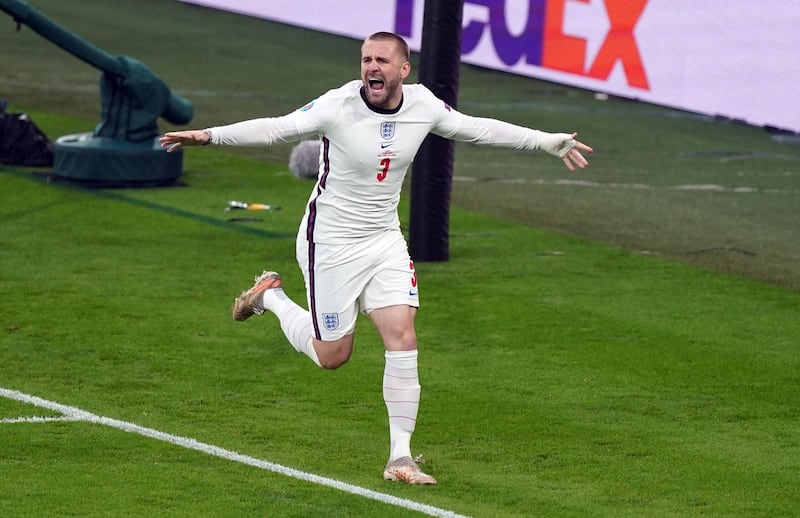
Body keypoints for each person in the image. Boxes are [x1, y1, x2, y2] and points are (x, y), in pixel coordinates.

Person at [160, 31, 592, 485]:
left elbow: (477, 129)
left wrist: (546, 141)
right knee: (333, 356)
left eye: (382, 60)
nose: (372, 68)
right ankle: (271, 297)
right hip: (329, 242)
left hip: (384, 239)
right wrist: (208, 136)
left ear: (403, 69)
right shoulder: (338, 105)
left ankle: (400, 458)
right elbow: (275, 127)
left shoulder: (423, 105)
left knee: (402, 336)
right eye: (366, 59)